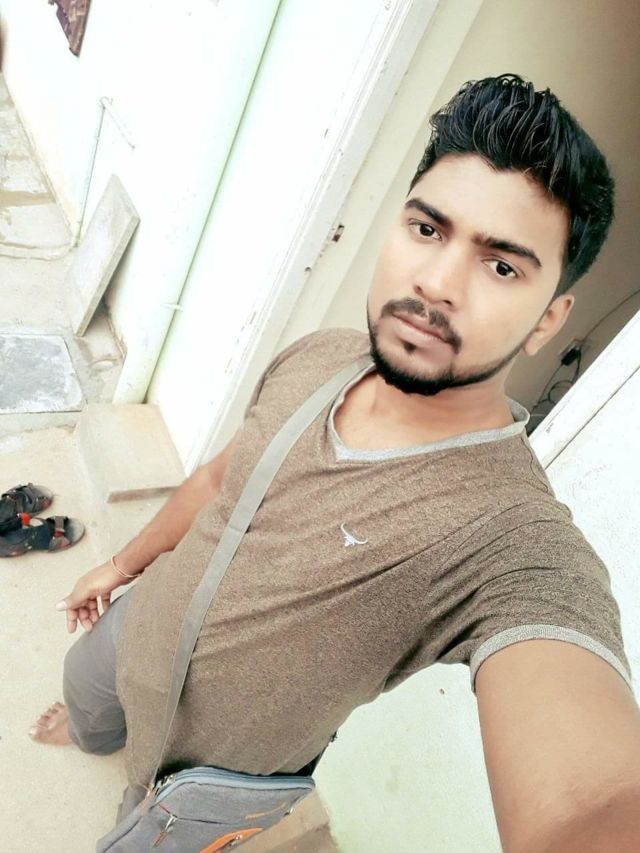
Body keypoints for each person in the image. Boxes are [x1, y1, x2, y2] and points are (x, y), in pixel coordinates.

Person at [30, 74, 640, 851]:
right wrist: (120, 565)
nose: (436, 282)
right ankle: (91, 729)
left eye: (501, 266)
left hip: (206, 775)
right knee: (86, 697)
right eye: (428, 228)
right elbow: (218, 481)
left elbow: (592, 801)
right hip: (134, 631)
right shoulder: (320, 355)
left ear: (548, 320)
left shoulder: (511, 537)